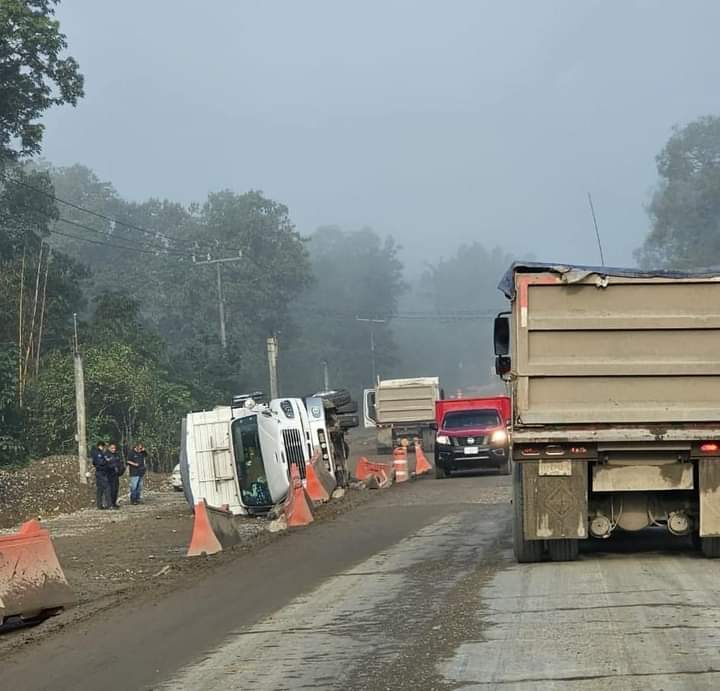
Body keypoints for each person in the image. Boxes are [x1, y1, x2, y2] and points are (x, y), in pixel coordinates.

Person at [91, 441, 111, 509]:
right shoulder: (98, 453)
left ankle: (99, 505)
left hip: (100, 472)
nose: (105, 448)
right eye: (104, 446)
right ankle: (109, 505)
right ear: (101, 446)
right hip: (101, 472)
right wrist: (106, 461)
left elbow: (94, 462)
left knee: (100, 489)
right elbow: (100, 462)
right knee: (107, 487)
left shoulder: (97, 452)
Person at [105, 442, 125, 509]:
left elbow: (120, 463)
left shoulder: (117, 455)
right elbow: (106, 465)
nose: (113, 449)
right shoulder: (106, 455)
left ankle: (114, 503)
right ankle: (110, 504)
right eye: (112, 448)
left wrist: (121, 470)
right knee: (111, 490)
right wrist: (113, 467)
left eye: (114, 448)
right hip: (109, 475)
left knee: (115, 489)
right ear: (109, 448)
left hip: (116, 475)